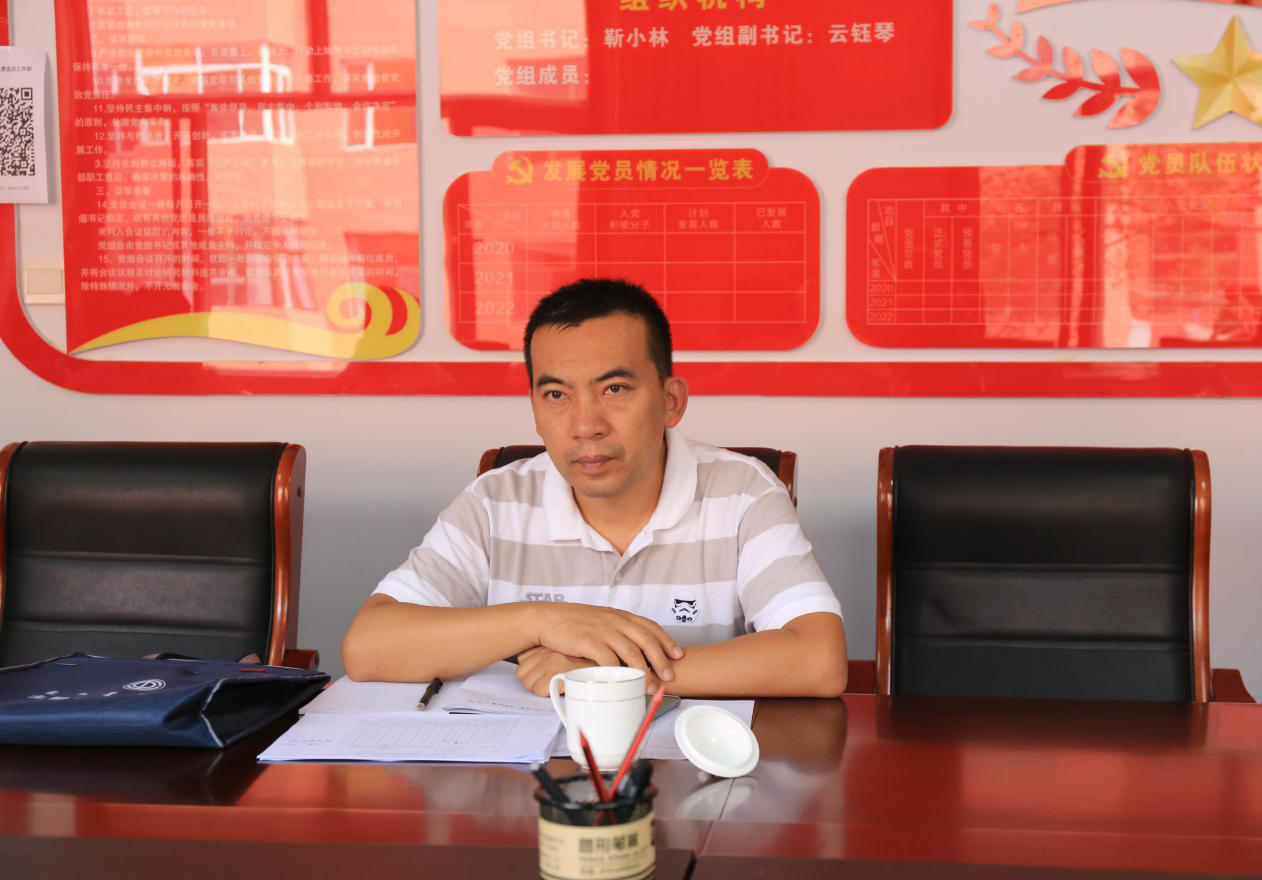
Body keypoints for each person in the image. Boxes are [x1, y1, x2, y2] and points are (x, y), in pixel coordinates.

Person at [343, 278, 847, 696]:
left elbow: (819, 659)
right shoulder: (496, 502)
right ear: (534, 409)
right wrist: (541, 621)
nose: (586, 425)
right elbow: (368, 647)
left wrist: (612, 677)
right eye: (556, 395)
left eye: (614, 389)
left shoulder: (742, 492)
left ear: (671, 401)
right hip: (530, 774)